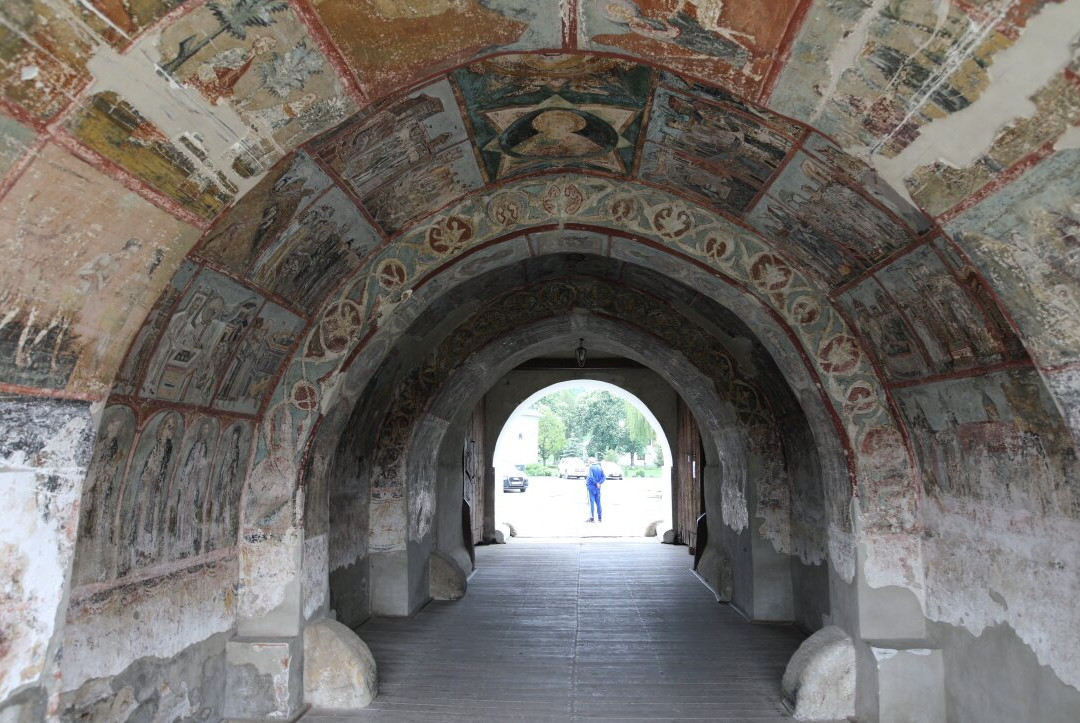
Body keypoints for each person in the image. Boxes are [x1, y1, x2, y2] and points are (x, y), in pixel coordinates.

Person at [585, 456, 605, 523]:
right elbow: (604, 477)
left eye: (588, 461)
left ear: (590, 462)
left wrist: (596, 483)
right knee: (598, 502)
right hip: (598, 488)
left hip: (591, 487)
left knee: (591, 503)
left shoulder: (590, 467)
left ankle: (592, 518)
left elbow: (591, 477)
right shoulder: (600, 467)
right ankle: (600, 518)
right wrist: (599, 483)